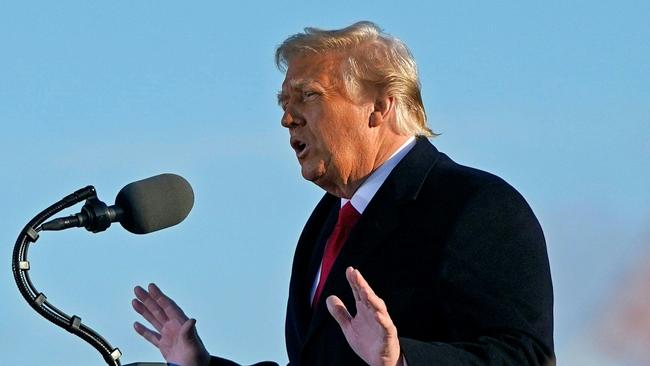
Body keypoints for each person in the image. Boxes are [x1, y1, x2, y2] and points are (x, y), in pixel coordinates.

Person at [131, 21, 555, 366]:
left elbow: (526, 358)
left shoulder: (474, 205)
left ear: (380, 105)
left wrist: (403, 359)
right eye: (283, 101)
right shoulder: (324, 225)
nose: (286, 118)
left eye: (308, 96)